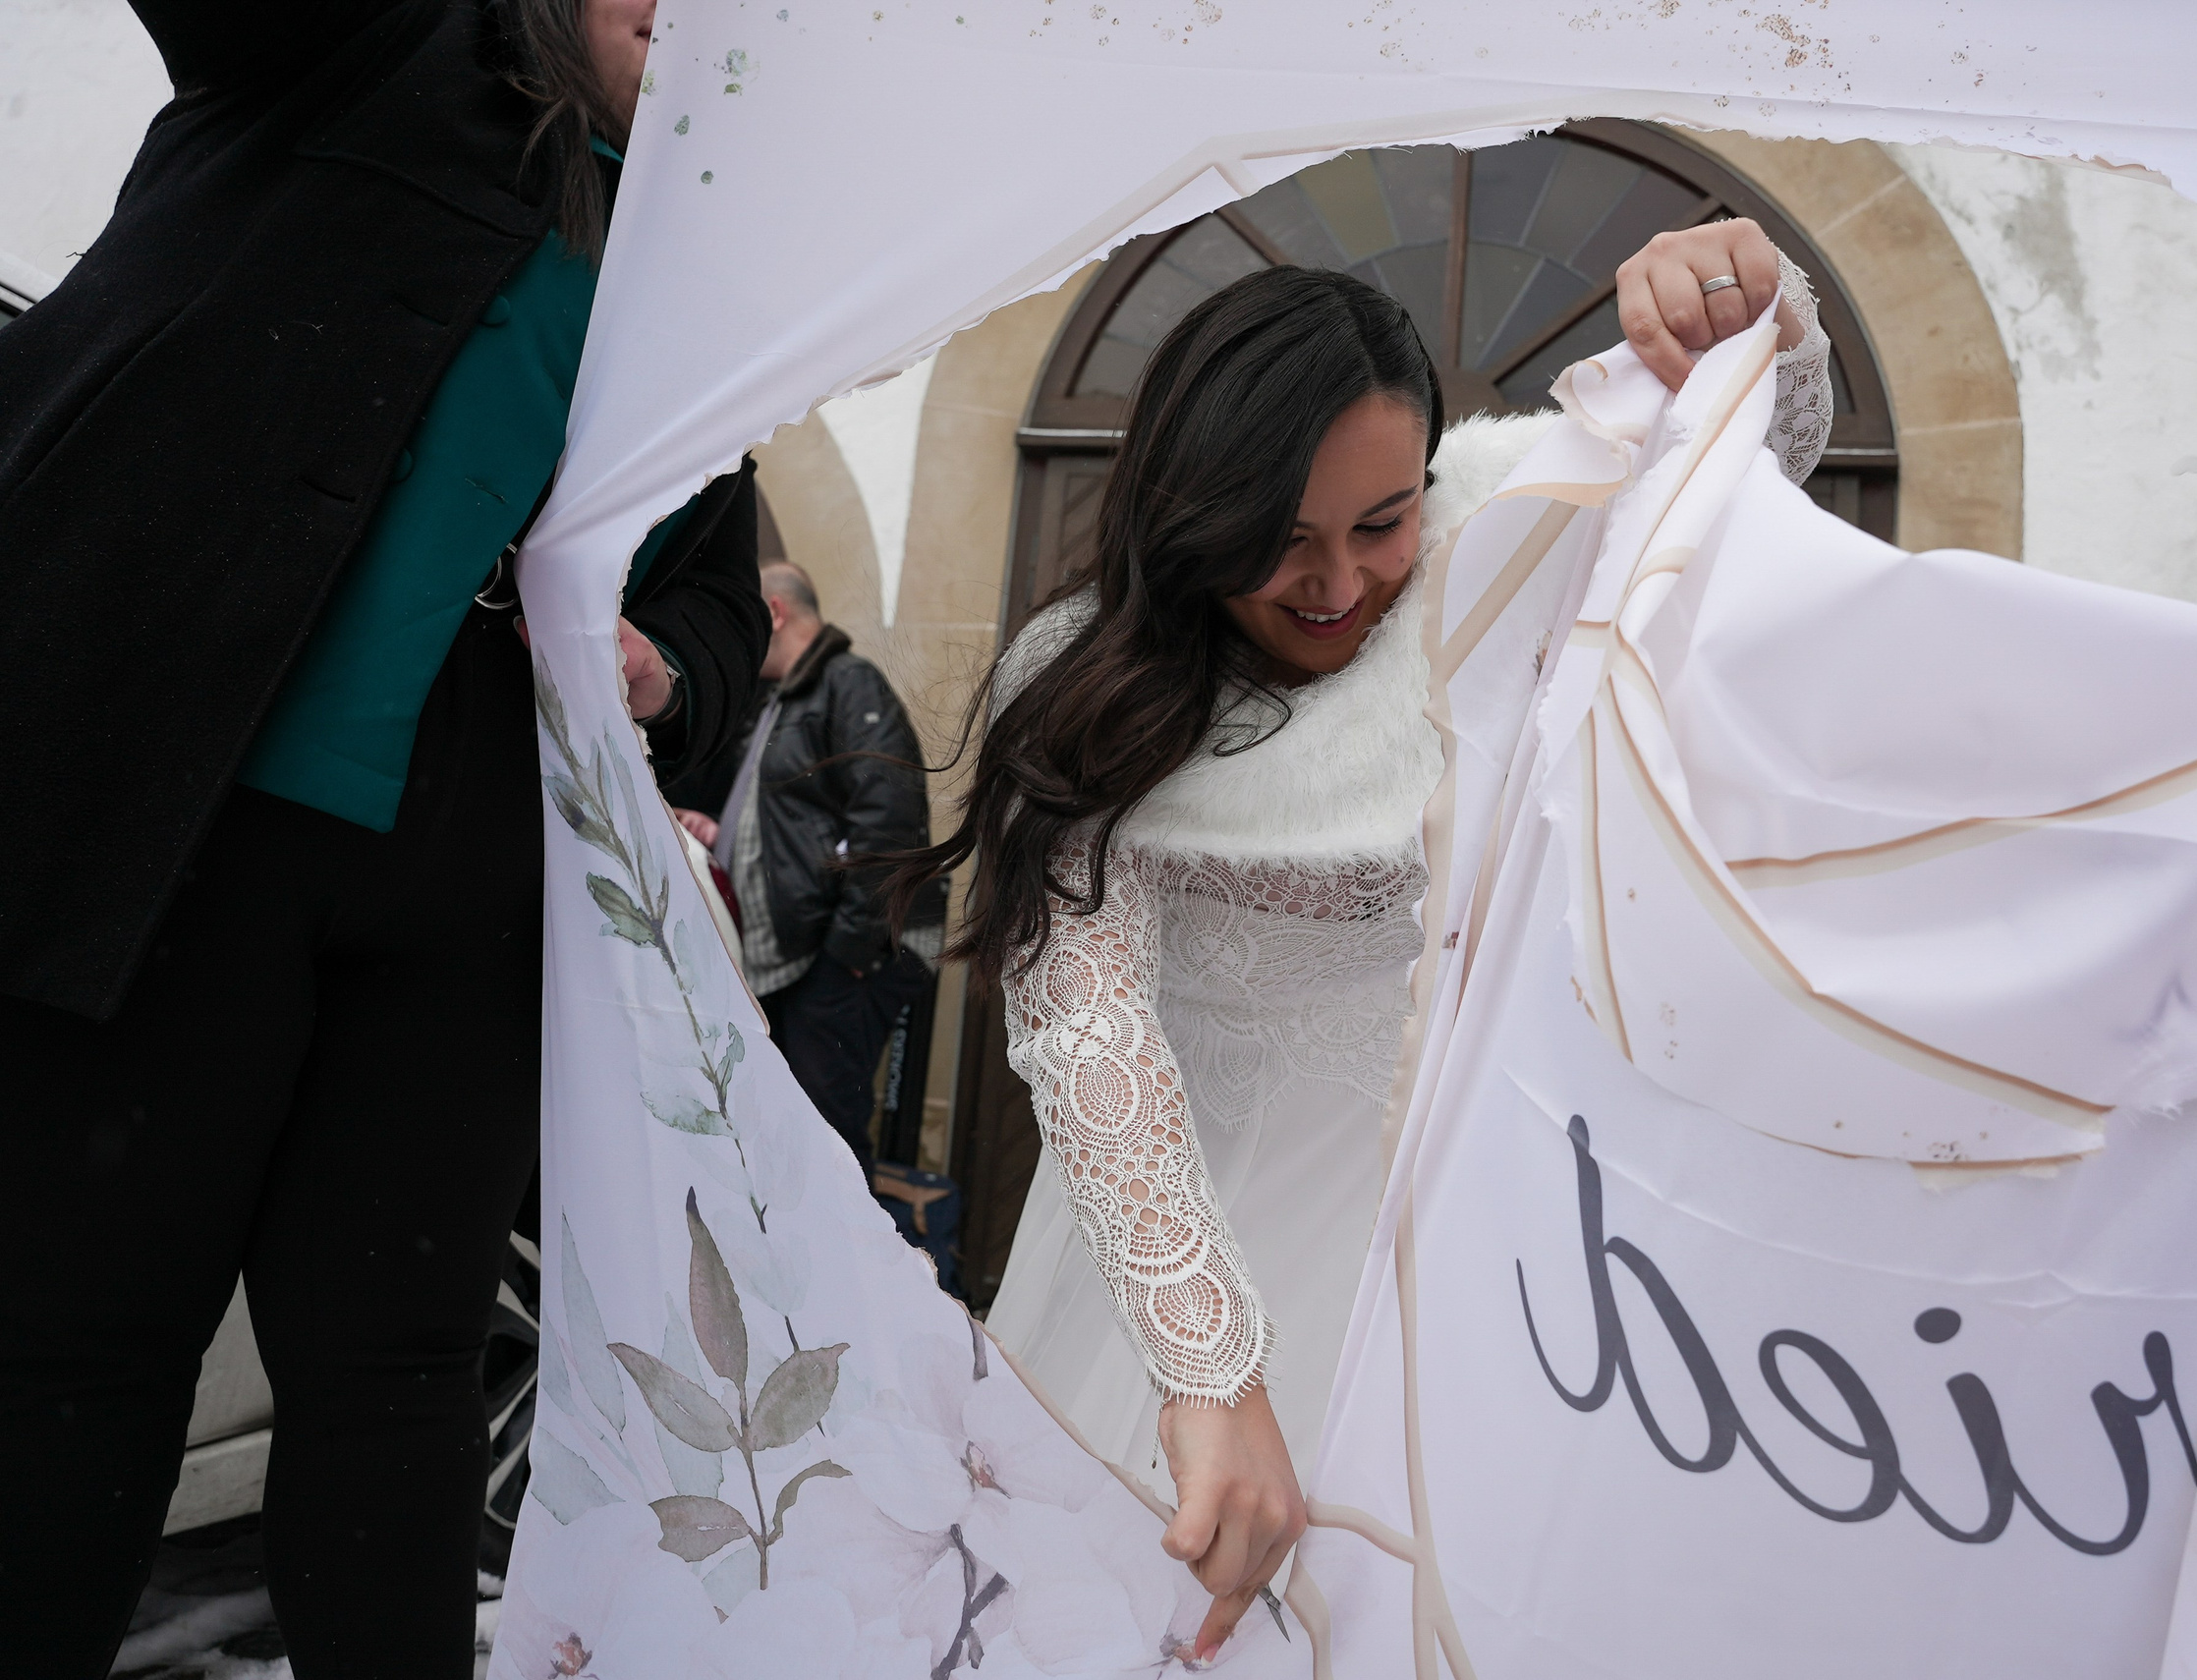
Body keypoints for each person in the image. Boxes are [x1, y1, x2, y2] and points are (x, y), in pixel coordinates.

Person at [884, 223, 1835, 1661]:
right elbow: (1087, 1029)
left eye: (1382, 524)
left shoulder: (1507, 547)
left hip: (1486, 1283)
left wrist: (1757, 300)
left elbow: (1750, 471)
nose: (1335, 583)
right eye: (1279, 541)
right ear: (1189, 516)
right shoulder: (1083, 688)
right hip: (1179, 1269)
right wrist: (1209, 1370)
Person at [0, 1, 767, 1675]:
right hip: (175, 840)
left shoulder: (703, 268)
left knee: (397, 1379)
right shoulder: (360, 47)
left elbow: (723, 599)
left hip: (457, 896)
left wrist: (665, 662)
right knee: (82, 1359)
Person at [673, 561, 947, 1168]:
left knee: (828, 1143)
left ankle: (850, 1238)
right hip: (806, 962)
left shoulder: (848, 684)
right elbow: (796, 822)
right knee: (792, 1140)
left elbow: (888, 821)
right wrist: (722, 836)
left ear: (773, 612)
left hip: (840, 961)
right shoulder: (784, 697)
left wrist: (847, 955)